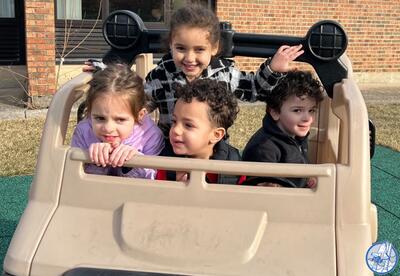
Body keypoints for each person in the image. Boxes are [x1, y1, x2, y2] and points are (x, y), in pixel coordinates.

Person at [83, 4, 303, 147]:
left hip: (213, 146)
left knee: (226, 171)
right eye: (181, 48)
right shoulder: (162, 74)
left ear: (214, 48)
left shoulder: (224, 74)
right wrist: (108, 73)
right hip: (172, 145)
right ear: (170, 44)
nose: (189, 58)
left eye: (199, 50)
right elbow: (134, 100)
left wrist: (274, 68)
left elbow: (255, 88)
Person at [71, 64, 164, 179]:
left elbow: (155, 181)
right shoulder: (83, 132)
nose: (108, 128)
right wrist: (95, 162)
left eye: (120, 119)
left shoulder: (150, 136)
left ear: (139, 115)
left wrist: (135, 162)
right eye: (100, 118)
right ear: (90, 112)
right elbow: (73, 178)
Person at [242, 70, 325, 188]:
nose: (307, 118)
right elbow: (264, 192)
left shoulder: (296, 136)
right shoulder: (264, 149)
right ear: (275, 112)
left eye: (311, 110)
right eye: (297, 110)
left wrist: (307, 180)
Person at [156, 79, 245, 184]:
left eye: (188, 125)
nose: (175, 130)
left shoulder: (233, 169)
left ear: (216, 135)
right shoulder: (164, 163)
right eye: (174, 121)